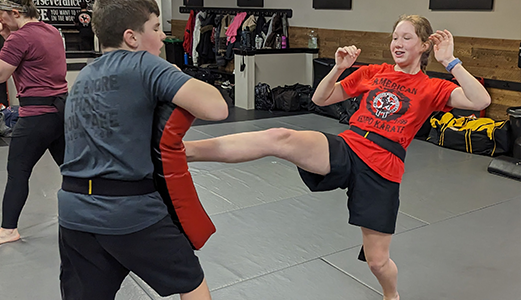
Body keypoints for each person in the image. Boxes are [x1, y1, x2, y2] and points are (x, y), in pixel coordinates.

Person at [183, 15, 491, 300]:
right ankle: (187, 152)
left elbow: (480, 100)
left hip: (382, 168)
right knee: (280, 137)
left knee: (377, 262)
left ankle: (391, 295)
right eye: (395, 37)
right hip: (349, 146)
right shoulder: (374, 73)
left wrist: (450, 61)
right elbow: (321, 98)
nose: (397, 44)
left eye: (406, 38)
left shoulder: (432, 87)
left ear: (424, 45)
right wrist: (339, 67)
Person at [57, 0, 227, 299]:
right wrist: (175, 72)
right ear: (131, 37)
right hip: (129, 212)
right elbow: (217, 108)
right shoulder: (143, 63)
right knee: (192, 285)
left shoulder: (84, 76)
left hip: (73, 212)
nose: (163, 36)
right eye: (156, 28)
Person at [0, 0, 67, 248]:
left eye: (0, 16)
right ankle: (90, 216)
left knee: (17, 171)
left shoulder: (21, 39)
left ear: (15, 13)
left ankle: (8, 230)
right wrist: (5, 34)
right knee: (71, 169)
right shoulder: (50, 31)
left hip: (36, 116)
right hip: (61, 112)